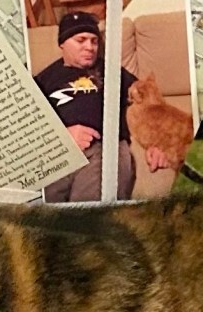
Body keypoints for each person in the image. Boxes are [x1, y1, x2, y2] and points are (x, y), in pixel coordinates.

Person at [34, 11, 169, 202]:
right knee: (35, 213)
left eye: (94, 41)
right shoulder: (44, 79)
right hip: (57, 154)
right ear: (62, 43)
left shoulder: (111, 70)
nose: (90, 47)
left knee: (89, 215)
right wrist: (61, 137)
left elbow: (147, 98)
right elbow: (26, 123)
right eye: (81, 40)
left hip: (104, 148)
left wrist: (158, 141)